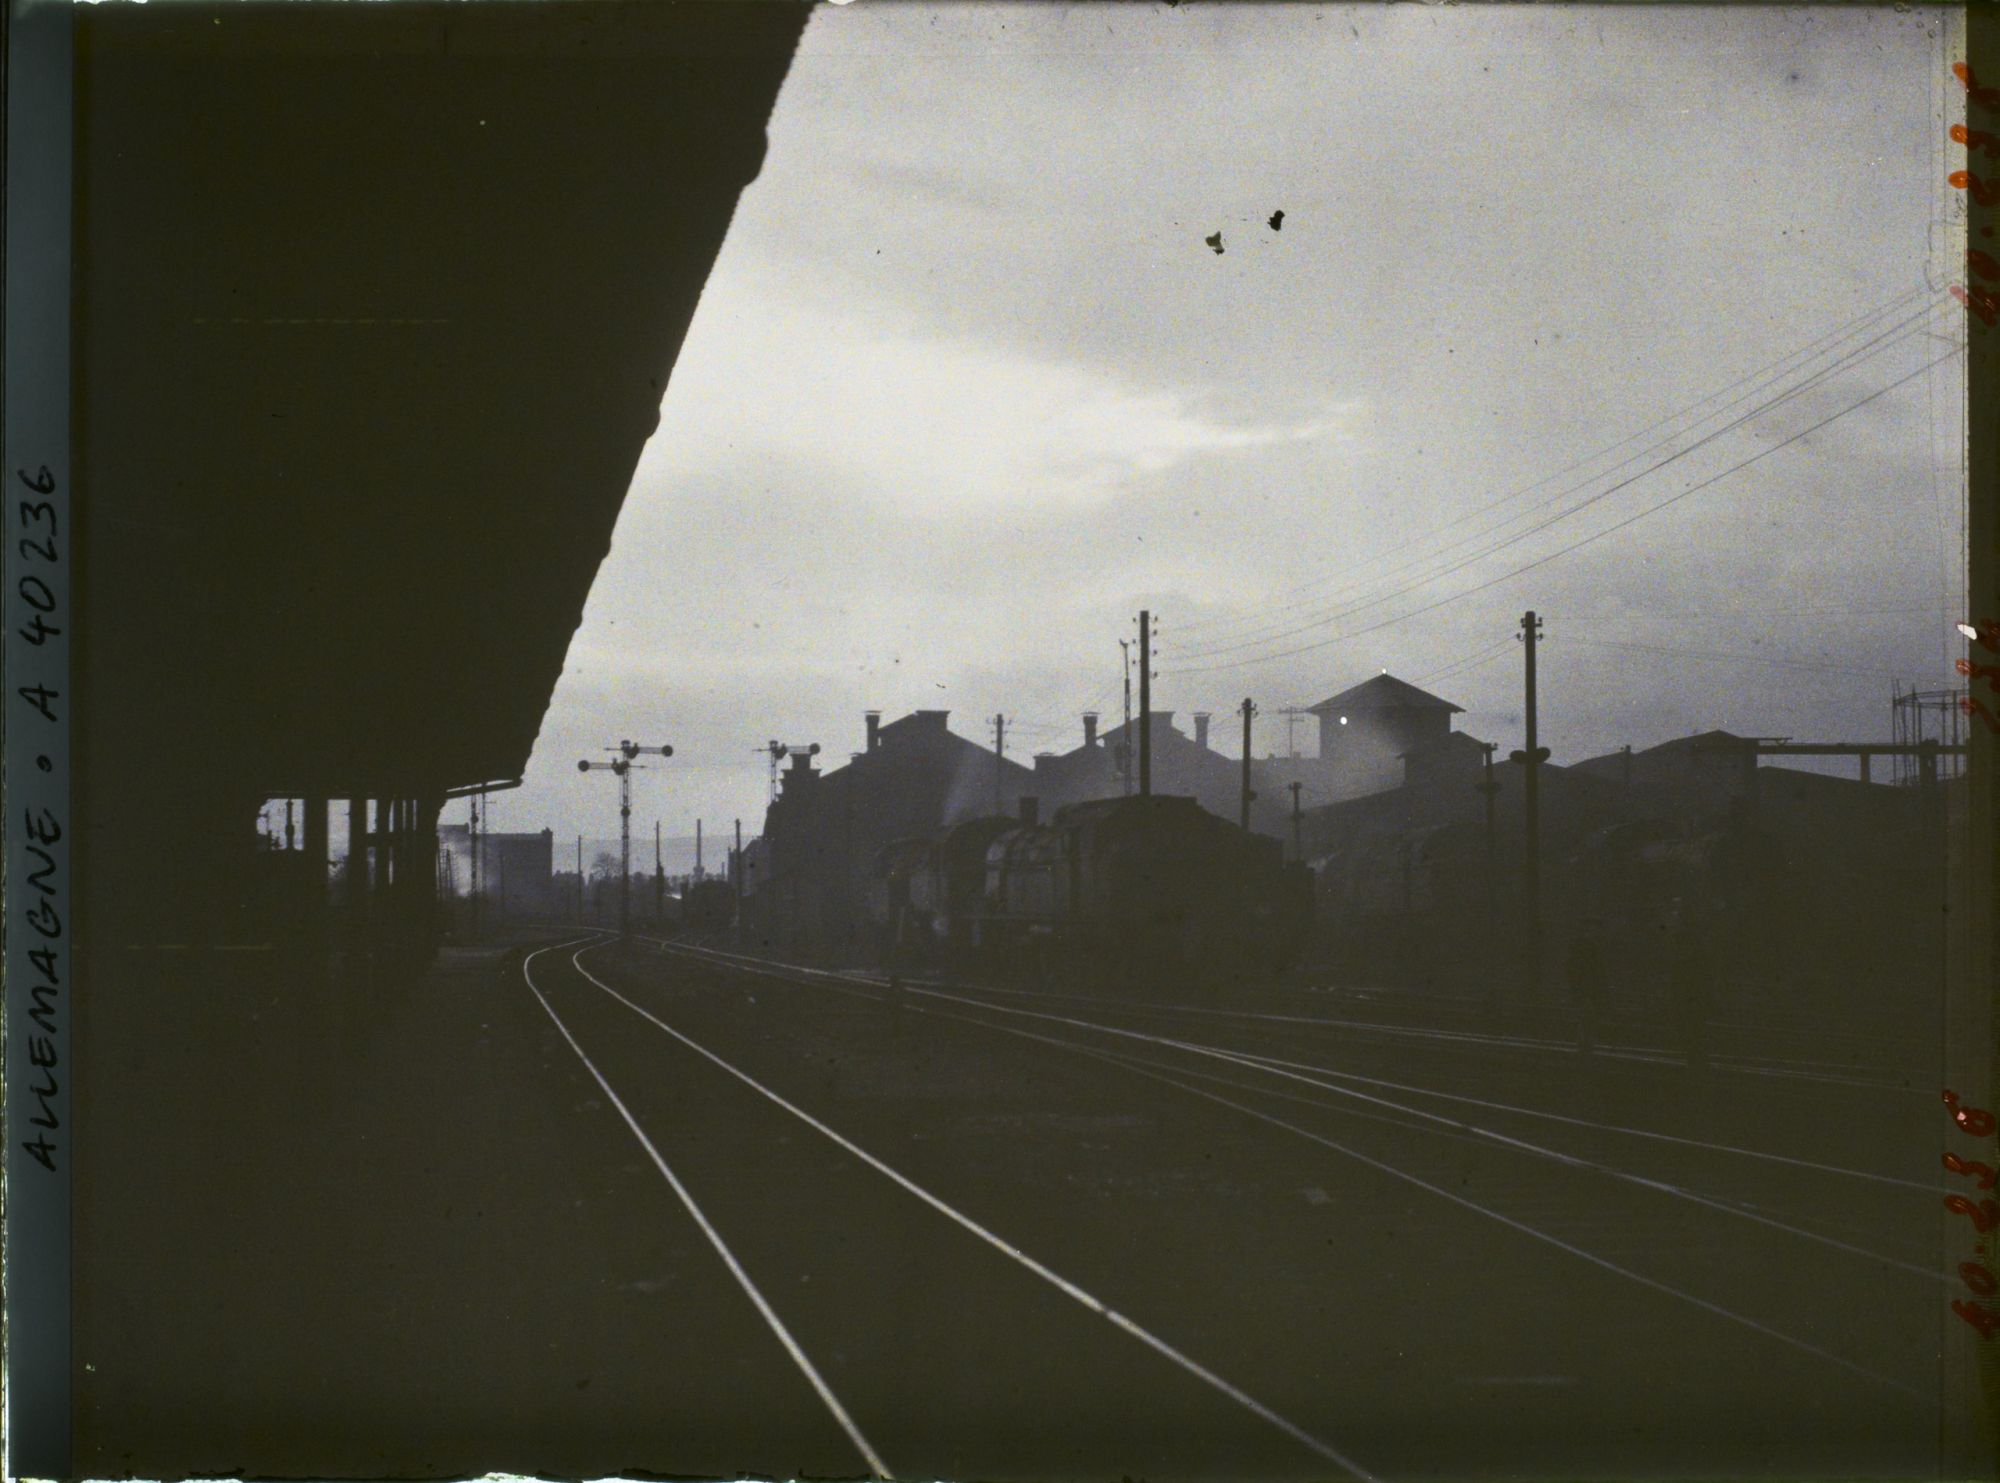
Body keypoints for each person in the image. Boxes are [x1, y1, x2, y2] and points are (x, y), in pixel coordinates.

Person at [1668, 899, 1712, 1071]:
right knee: (1696, 1035)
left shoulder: (1682, 963)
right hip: (1693, 1003)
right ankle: (1697, 1063)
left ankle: (1694, 1063)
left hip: (1688, 1003)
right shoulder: (1695, 961)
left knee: (1691, 1035)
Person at [1566, 917, 1608, 1054]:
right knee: (1589, 1014)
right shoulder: (1593, 947)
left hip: (1584, 986)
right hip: (1588, 987)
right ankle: (1586, 1041)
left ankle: (1584, 1041)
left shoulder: (1579, 947)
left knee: (1586, 1014)